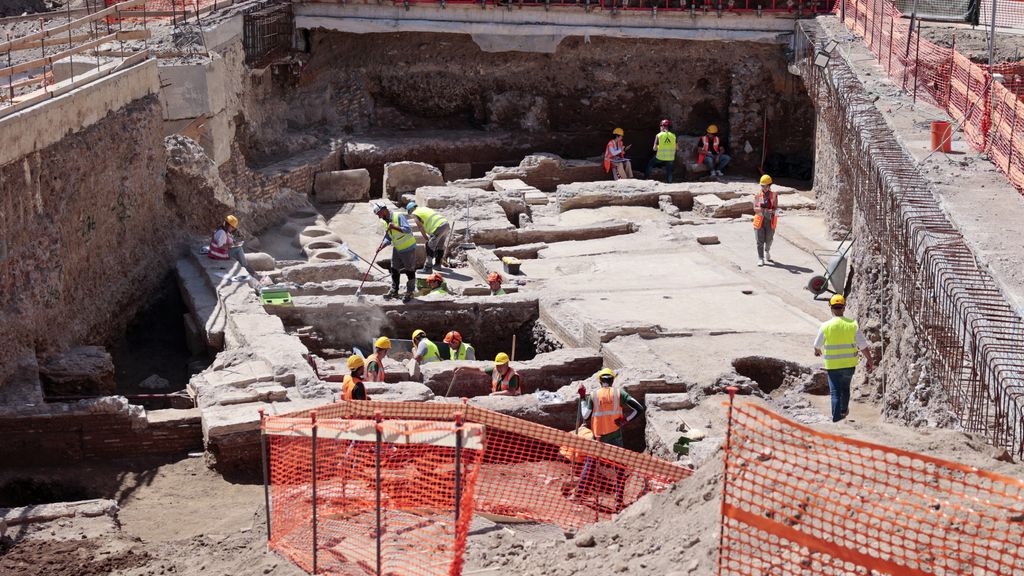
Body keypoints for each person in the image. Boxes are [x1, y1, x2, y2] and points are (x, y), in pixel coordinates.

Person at [573, 368, 645, 509]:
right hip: (615, 436)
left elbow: (586, 416)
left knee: (590, 466)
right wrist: (626, 420)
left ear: (600, 381)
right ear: (612, 380)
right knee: (619, 468)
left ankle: (578, 495)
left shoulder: (593, 395)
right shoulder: (619, 393)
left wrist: (582, 398)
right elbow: (639, 408)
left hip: (598, 438)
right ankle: (618, 501)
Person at [814, 294, 872, 423]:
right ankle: (843, 410)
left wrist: (817, 351)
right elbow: (863, 345)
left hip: (833, 365)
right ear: (844, 307)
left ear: (831, 308)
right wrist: (869, 359)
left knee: (835, 392)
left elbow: (817, 345)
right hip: (849, 364)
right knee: (845, 388)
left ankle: (836, 419)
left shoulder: (825, 326)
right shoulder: (852, 325)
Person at [373, 203, 417, 302]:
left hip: (408, 247)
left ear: (384, 209)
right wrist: (382, 246)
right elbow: (389, 237)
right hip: (397, 248)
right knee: (394, 268)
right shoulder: (385, 222)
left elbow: (407, 230)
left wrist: (394, 227)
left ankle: (410, 292)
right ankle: (394, 290)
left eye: (379, 213)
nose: (379, 216)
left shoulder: (398, 216)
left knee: (409, 270)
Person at [406, 201, 450, 273]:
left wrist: (426, 238)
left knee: (429, 246)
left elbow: (420, 227)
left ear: (410, 210)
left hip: (438, 227)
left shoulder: (415, 213)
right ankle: (437, 265)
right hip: (445, 225)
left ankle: (428, 268)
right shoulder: (424, 209)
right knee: (440, 246)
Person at [455, 352, 521, 396]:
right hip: (499, 399)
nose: (498, 368)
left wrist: (494, 394)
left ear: (506, 364)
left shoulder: (513, 375)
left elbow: (511, 392)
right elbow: (479, 370)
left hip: (511, 400)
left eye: (501, 365)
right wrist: (463, 368)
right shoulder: (495, 370)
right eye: (497, 365)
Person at [753, 174, 779, 267]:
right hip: (760, 220)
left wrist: (773, 211)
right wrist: (764, 210)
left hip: (770, 220)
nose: (763, 187)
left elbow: (776, 208)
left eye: (764, 186)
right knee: (759, 241)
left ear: (769, 186)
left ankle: (767, 251)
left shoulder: (774, 195)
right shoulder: (758, 195)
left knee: (769, 239)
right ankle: (760, 258)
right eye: (762, 185)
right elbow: (755, 208)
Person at [645, 119, 677, 183]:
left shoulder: (658, 135)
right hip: (670, 157)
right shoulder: (673, 136)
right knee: (669, 170)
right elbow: (677, 148)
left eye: (660, 126)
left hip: (660, 156)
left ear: (663, 126)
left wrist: (659, 147)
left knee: (650, 164)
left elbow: (654, 148)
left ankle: (646, 178)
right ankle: (669, 183)